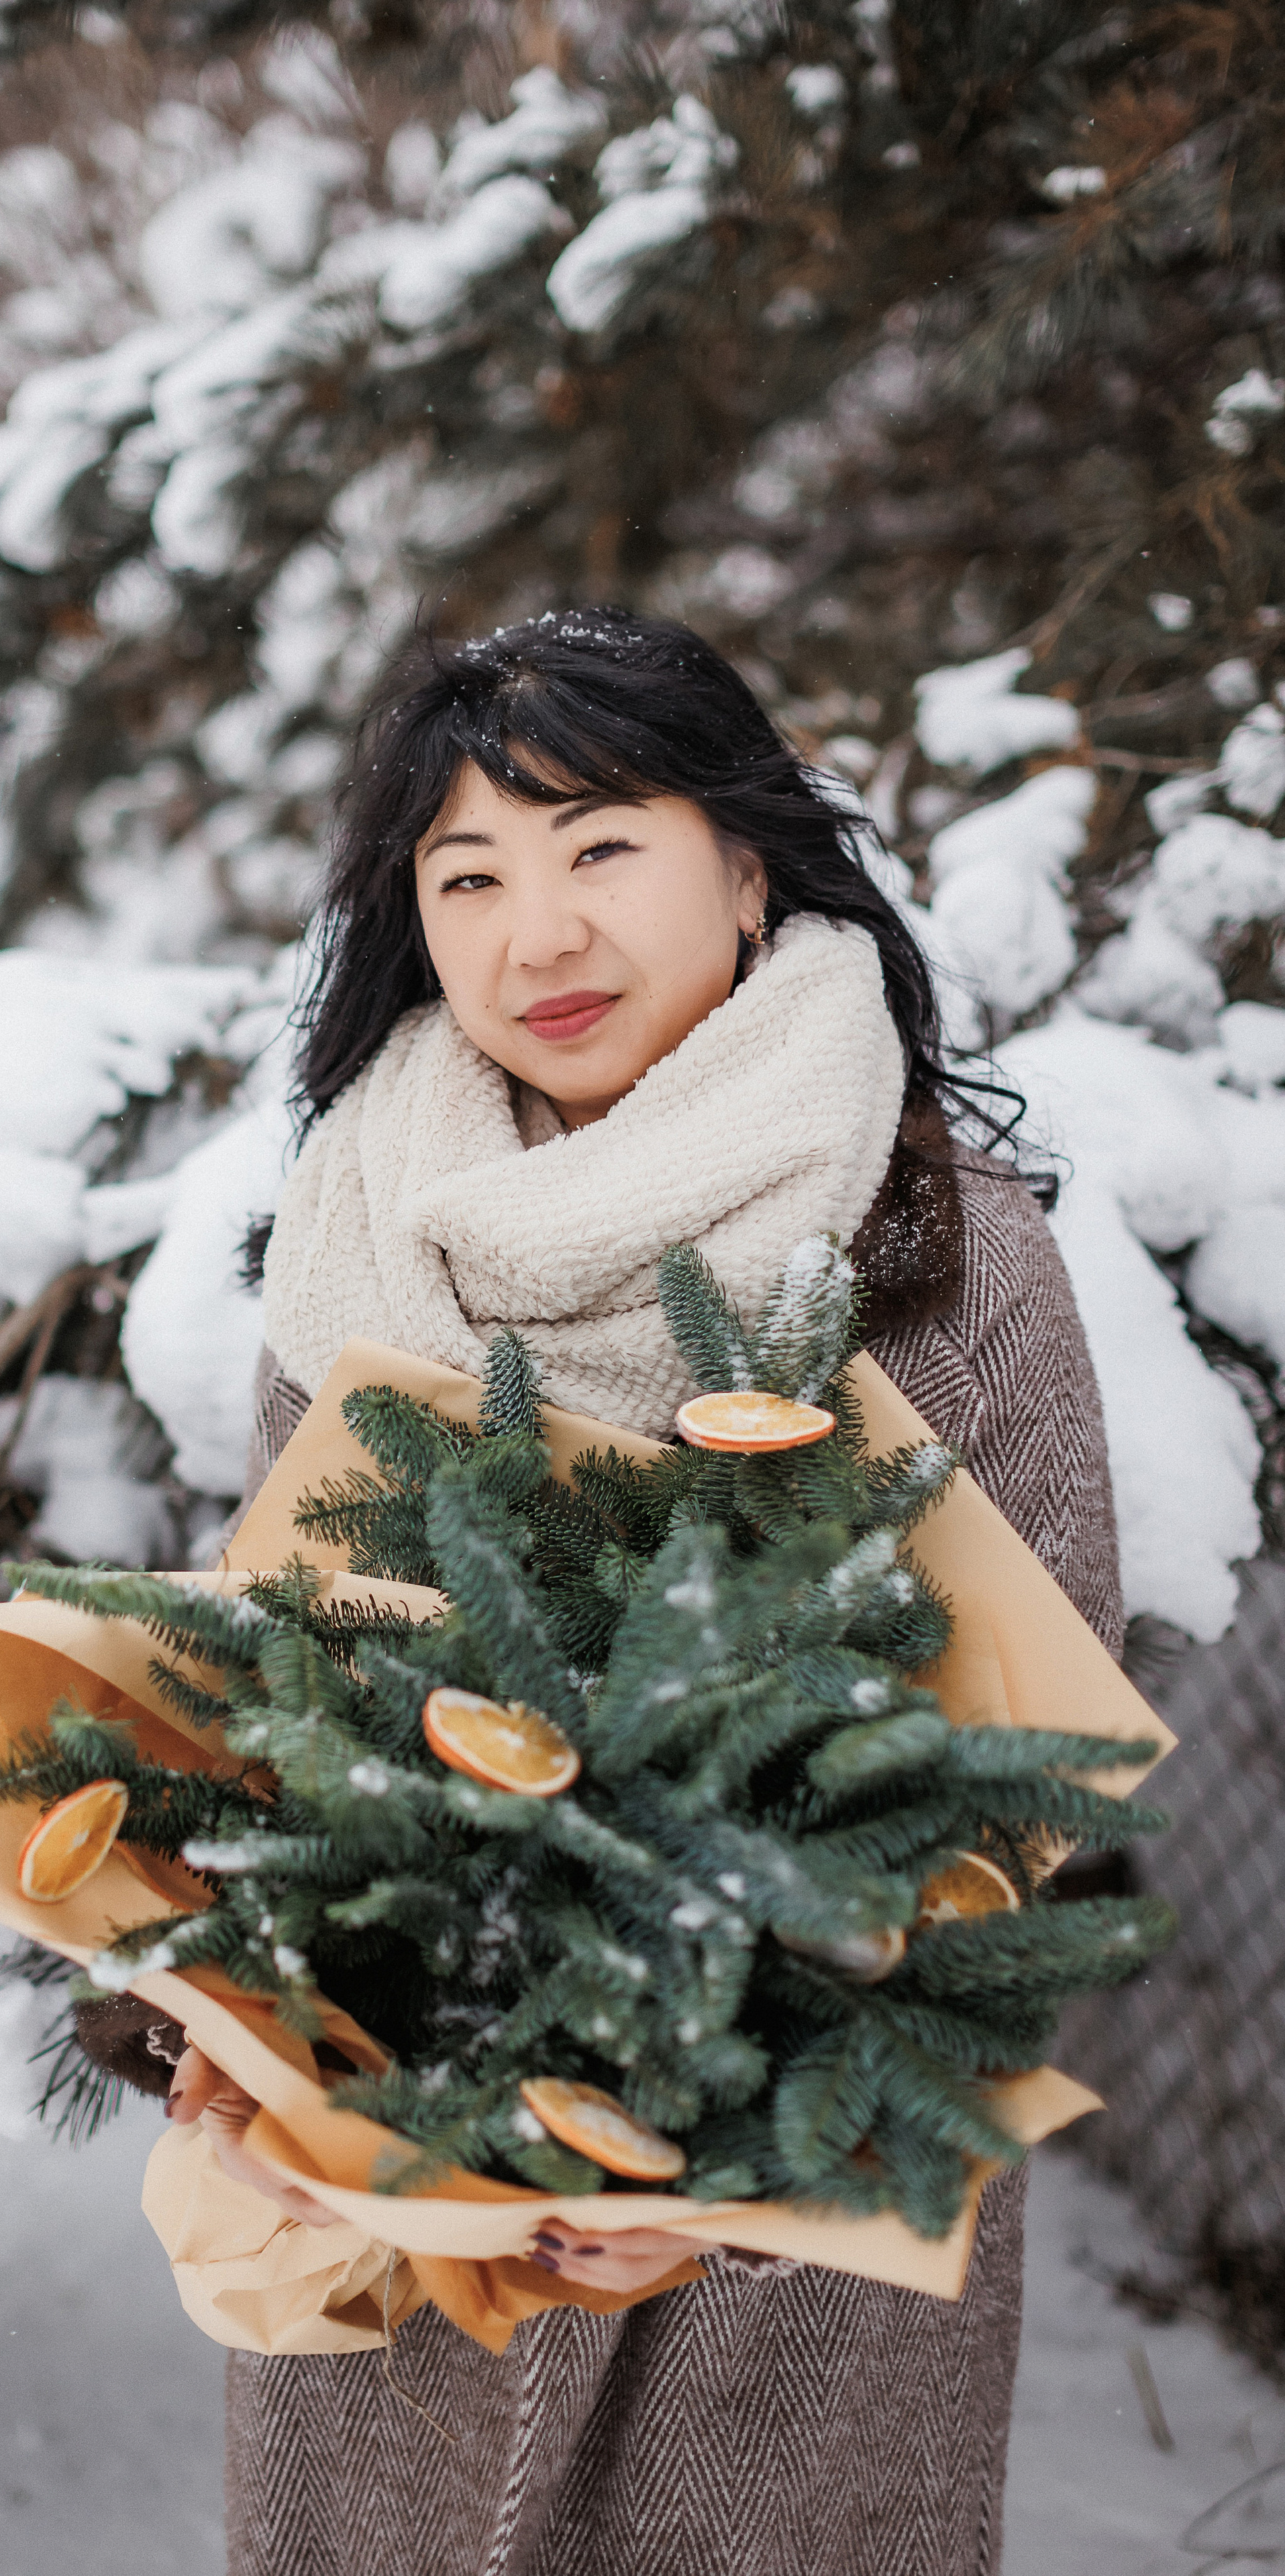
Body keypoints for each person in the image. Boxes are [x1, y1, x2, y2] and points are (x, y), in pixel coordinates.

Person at [80, 608, 1123, 2576]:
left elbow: (1029, 1775)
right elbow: (279, 1693)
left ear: (746, 865)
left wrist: (727, 2153)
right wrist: (236, 2011)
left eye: (601, 849)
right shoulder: (363, 1239)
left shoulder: (938, 1253)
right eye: (466, 876)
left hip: (784, 2251)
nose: (536, 936)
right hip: (400, 2183)